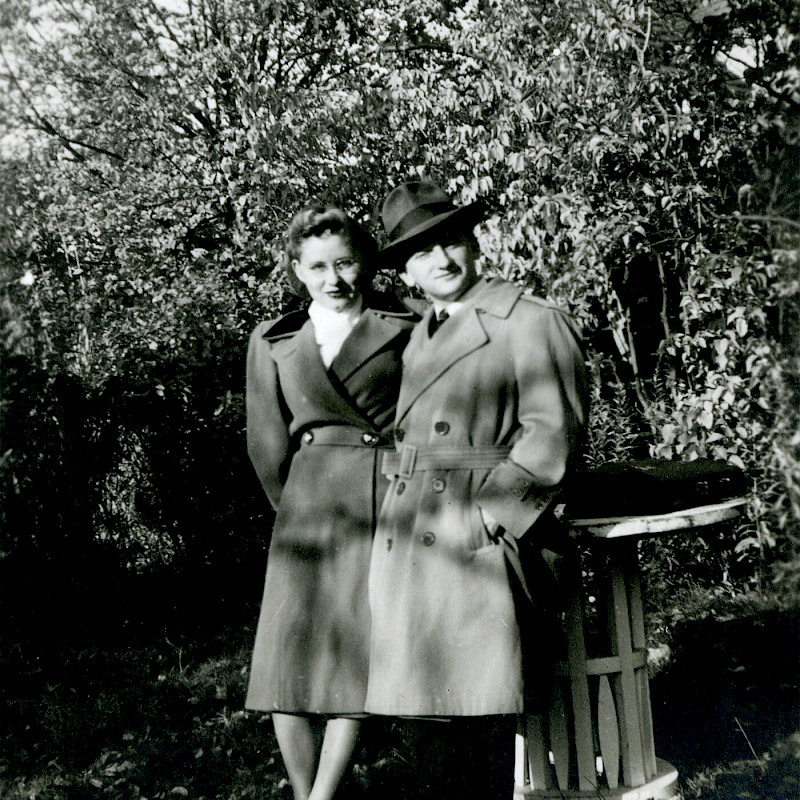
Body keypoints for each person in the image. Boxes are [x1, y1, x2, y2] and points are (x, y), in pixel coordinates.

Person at [365, 181, 589, 796]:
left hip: (477, 544)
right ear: (406, 271)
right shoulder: (413, 337)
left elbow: (553, 433)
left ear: (473, 242)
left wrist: (494, 515)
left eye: (451, 241)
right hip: (412, 538)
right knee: (426, 720)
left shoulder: (528, 320)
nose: (441, 260)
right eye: (421, 252)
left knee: (480, 714)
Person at [244, 206, 417, 800]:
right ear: (297, 270)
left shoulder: (406, 325)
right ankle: (303, 794)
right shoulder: (273, 340)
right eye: (317, 266)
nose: (333, 278)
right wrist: (292, 505)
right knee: (282, 660)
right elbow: (266, 443)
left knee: (354, 655)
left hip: (381, 499)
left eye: (344, 262)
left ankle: (323, 797)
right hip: (305, 508)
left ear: (364, 262)